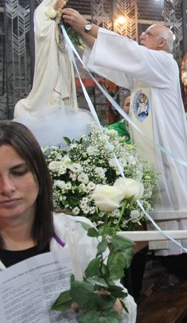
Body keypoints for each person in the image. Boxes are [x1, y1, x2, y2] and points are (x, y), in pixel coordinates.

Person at [61, 8, 187, 289]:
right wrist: (81, 35)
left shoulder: (164, 62)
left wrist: (86, 25)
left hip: (166, 151)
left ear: (162, 42)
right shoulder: (144, 73)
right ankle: (164, 265)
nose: (141, 36)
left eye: (147, 34)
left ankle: (178, 270)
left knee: (172, 203)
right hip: (147, 152)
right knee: (155, 205)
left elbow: (128, 51)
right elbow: (114, 59)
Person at [0, 121, 136, 321]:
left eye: (19, 172)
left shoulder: (78, 233)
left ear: (39, 172)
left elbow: (128, 311)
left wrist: (112, 306)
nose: (7, 187)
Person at [14, 0, 77, 119]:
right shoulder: (41, 10)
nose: (64, 3)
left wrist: (61, 26)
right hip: (48, 53)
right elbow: (41, 33)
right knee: (49, 77)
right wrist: (55, 23)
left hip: (59, 53)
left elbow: (60, 35)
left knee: (60, 79)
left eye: (66, 1)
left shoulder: (57, 14)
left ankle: (59, 111)